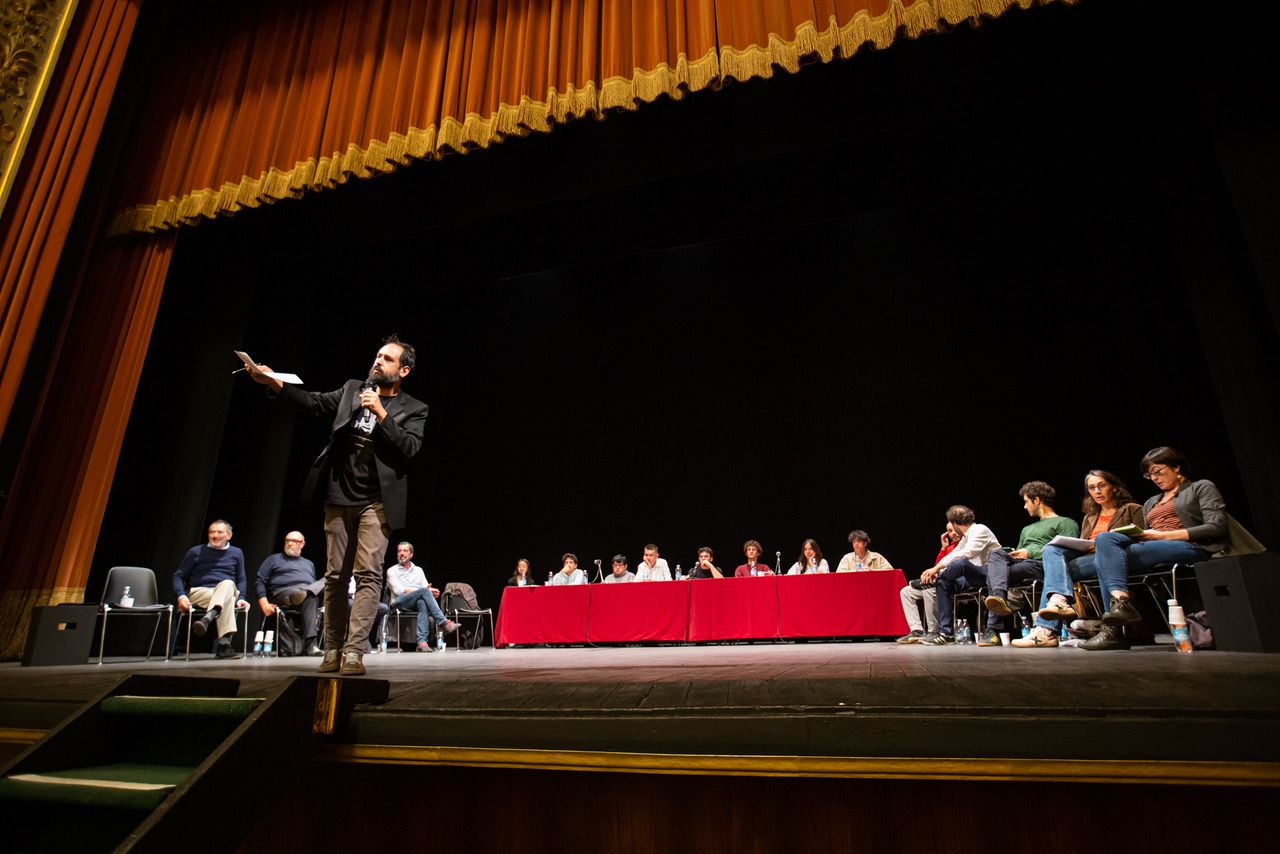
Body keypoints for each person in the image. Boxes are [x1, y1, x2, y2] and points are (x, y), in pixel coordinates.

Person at [251, 335, 427, 676]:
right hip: (338, 496)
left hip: (376, 504)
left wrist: (380, 412)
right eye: (377, 355)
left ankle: (353, 652)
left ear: (403, 370)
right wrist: (274, 382)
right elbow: (314, 403)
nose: (378, 361)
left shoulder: (414, 409)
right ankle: (331, 648)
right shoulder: (351, 389)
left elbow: (409, 448)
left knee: (368, 575)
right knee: (334, 577)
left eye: (388, 359)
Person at [1076, 447, 1228, 651]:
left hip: (1190, 547)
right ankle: (1120, 609)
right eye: (1150, 474)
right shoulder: (1152, 502)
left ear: (1176, 466)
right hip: (1153, 547)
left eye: (1158, 471)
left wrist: (1162, 535)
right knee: (1107, 548)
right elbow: (1146, 536)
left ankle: (1113, 629)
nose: (1154, 478)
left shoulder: (1200, 487)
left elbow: (1216, 527)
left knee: (1107, 551)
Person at [1014, 470, 1145, 648]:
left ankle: (1051, 628)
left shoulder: (1132, 509)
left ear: (1114, 487)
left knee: (1066, 570)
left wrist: (1100, 544)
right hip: (1088, 559)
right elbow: (1084, 543)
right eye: (1092, 488)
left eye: (1102, 486)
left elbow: (1141, 538)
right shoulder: (1090, 517)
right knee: (1052, 551)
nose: (1097, 491)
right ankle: (1051, 618)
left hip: (1117, 558)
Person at [941, 482, 1079, 646]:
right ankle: (998, 598)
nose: (1025, 506)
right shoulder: (1027, 529)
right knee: (997, 554)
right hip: (1020, 565)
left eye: (1027, 501)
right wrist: (1015, 553)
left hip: (1041, 565)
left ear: (1037, 500)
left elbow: (1067, 551)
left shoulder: (1065, 522)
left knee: (994, 574)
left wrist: (1030, 553)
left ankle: (993, 627)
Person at [918, 505, 1002, 645]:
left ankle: (935, 579)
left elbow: (966, 553)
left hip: (989, 573)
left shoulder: (980, 529)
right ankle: (946, 632)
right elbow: (953, 554)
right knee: (943, 582)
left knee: (961, 563)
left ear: (955, 523)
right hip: (971, 577)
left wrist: (937, 570)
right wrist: (936, 569)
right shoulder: (965, 537)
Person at [173, 519, 249, 659]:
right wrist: (181, 596)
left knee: (227, 585)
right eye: (212, 532)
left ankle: (209, 617)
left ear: (229, 535)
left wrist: (243, 598)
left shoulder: (237, 553)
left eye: (219, 532)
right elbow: (179, 576)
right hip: (199, 592)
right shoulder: (196, 552)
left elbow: (241, 578)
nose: (215, 535)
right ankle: (224, 644)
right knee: (229, 595)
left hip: (225, 591)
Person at [254, 530, 324, 656]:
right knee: (311, 594)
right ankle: (311, 645)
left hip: (305, 593)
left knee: (327, 579)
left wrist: (307, 591)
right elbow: (259, 581)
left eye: (294, 541)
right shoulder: (273, 559)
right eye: (288, 540)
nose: (290, 543)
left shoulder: (308, 563)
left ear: (302, 544)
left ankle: (310, 643)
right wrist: (264, 603)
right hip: (282, 593)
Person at [386, 541, 459, 652]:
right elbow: (398, 590)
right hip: (398, 603)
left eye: (405, 551)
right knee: (423, 593)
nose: (401, 553)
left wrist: (431, 593)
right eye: (399, 551)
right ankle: (444, 622)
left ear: (411, 554)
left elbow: (425, 589)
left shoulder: (418, 570)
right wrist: (425, 591)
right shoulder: (392, 571)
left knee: (422, 602)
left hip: (415, 603)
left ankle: (422, 643)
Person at [898, 523, 960, 643]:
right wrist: (943, 548)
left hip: (952, 583)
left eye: (954, 530)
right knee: (906, 591)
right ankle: (917, 630)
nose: (953, 533)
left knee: (928, 588)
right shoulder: (948, 548)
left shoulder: (964, 546)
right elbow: (937, 566)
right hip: (938, 582)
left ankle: (934, 631)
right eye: (949, 531)